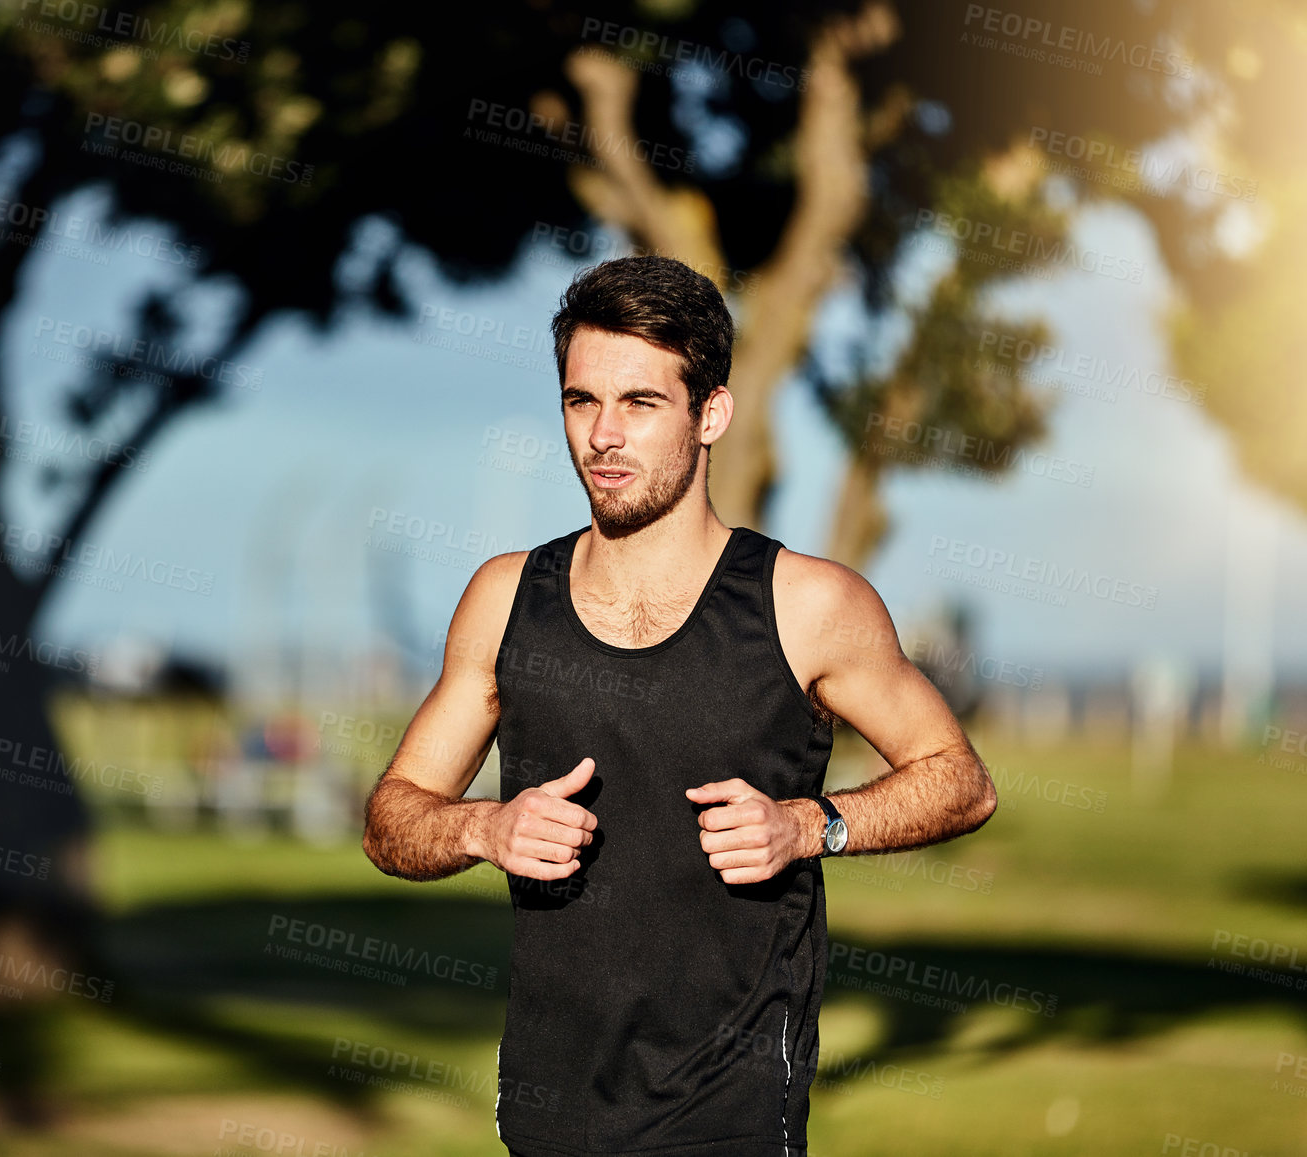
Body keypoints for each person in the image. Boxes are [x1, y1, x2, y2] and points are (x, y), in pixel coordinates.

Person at [361, 254, 997, 1156]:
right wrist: (484, 829)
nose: (604, 435)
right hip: (548, 1112)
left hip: (727, 1112)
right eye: (582, 401)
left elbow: (961, 782)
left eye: (641, 402)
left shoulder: (808, 604)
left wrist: (808, 826)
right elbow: (391, 818)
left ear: (712, 414)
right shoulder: (506, 598)